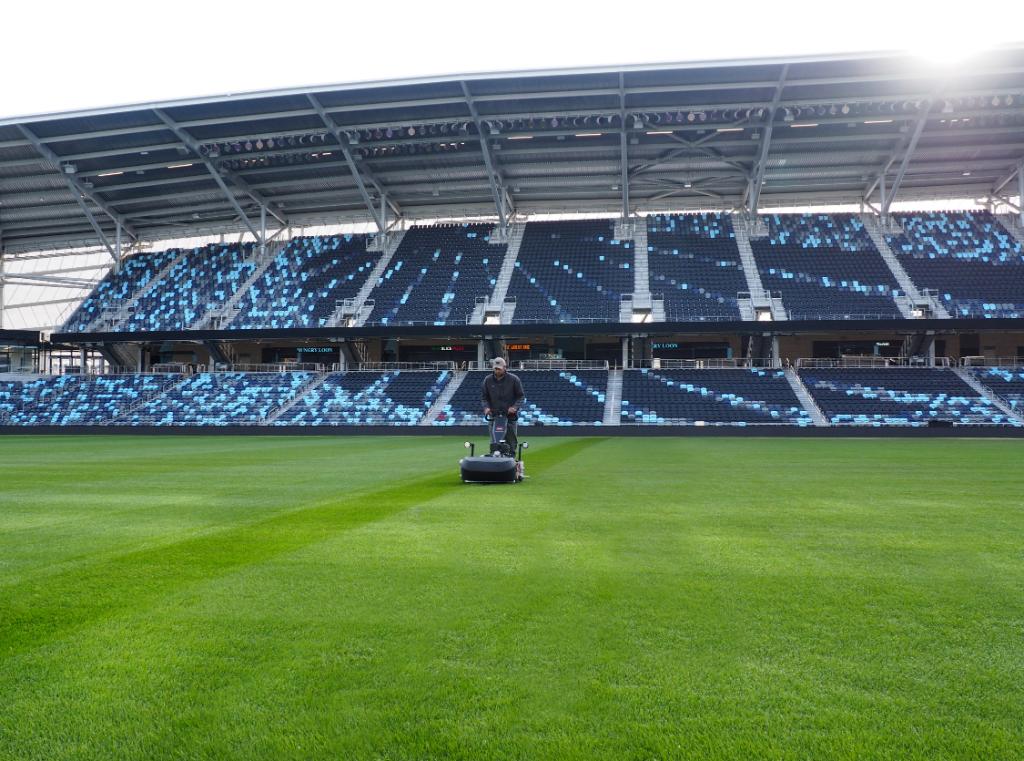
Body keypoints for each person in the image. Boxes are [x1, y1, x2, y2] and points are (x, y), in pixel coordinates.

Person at [481, 357, 525, 450]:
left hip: (510, 417)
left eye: (499, 369)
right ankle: (495, 458)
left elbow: (521, 396)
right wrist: (486, 407)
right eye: (495, 368)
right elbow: (484, 397)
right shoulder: (488, 380)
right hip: (494, 416)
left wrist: (514, 407)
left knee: (511, 443)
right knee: (494, 442)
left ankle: (511, 459)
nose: (497, 371)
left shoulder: (514, 379)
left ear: (505, 367)